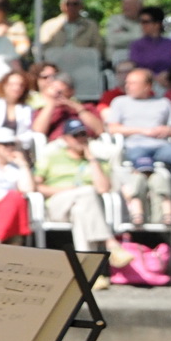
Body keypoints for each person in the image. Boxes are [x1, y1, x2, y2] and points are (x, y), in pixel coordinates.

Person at [36, 120, 132, 282]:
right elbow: (37, 186)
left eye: (83, 134)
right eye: (76, 135)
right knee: (86, 192)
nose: (81, 139)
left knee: (80, 212)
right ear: (66, 139)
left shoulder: (98, 161)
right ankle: (110, 243)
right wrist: (70, 191)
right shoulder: (52, 157)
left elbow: (103, 188)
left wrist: (92, 160)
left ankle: (88, 275)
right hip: (57, 204)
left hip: (86, 207)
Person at [102, 66, 171, 211]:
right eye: (128, 82)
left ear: (147, 86)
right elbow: (112, 128)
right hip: (135, 145)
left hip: (161, 145)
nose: (128, 86)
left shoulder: (163, 103)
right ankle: (141, 206)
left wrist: (168, 130)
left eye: (133, 83)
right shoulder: (120, 102)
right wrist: (143, 131)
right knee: (143, 165)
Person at [33, 73, 104, 140]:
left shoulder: (87, 108)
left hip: (86, 142)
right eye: (53, 88)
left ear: (71, 91)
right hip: (59, 144)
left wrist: (76, 107)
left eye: (60, 92)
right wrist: (51, 105)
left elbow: (100, 130)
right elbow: (38, 132)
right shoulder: (43, 111)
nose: (56, 94)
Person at [129, 5, 171, 77]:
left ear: (157, 24)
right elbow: (135, 66)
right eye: (140, 21)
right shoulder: (136, 45)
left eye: (145, 22)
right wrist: (154, 76)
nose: (142, 25)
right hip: (145, 80)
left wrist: (167, 75)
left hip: (168, 80)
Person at [104, 0, 146, 67]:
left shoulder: (146, 21)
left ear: (140, 6)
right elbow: (112, 39)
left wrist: (125, 36)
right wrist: (140, 36)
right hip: (115, 64)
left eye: (130, 4)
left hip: (141, 63)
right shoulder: (115, 20)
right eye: (124, 4)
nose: (125, 7)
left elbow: (150, 40)